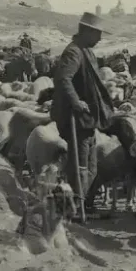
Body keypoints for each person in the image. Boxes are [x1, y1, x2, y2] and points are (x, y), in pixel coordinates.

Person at [50, 12, 115, 221]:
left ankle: (78, 204)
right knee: (80, 166)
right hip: (77, 118)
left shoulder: (85, 50)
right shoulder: (74, 53)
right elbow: (63, 78)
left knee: (91, 168)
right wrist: (76, 102)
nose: (100, 38)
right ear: (87, 31)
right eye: (97, 33)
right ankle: (72, 208)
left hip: (87, 119)